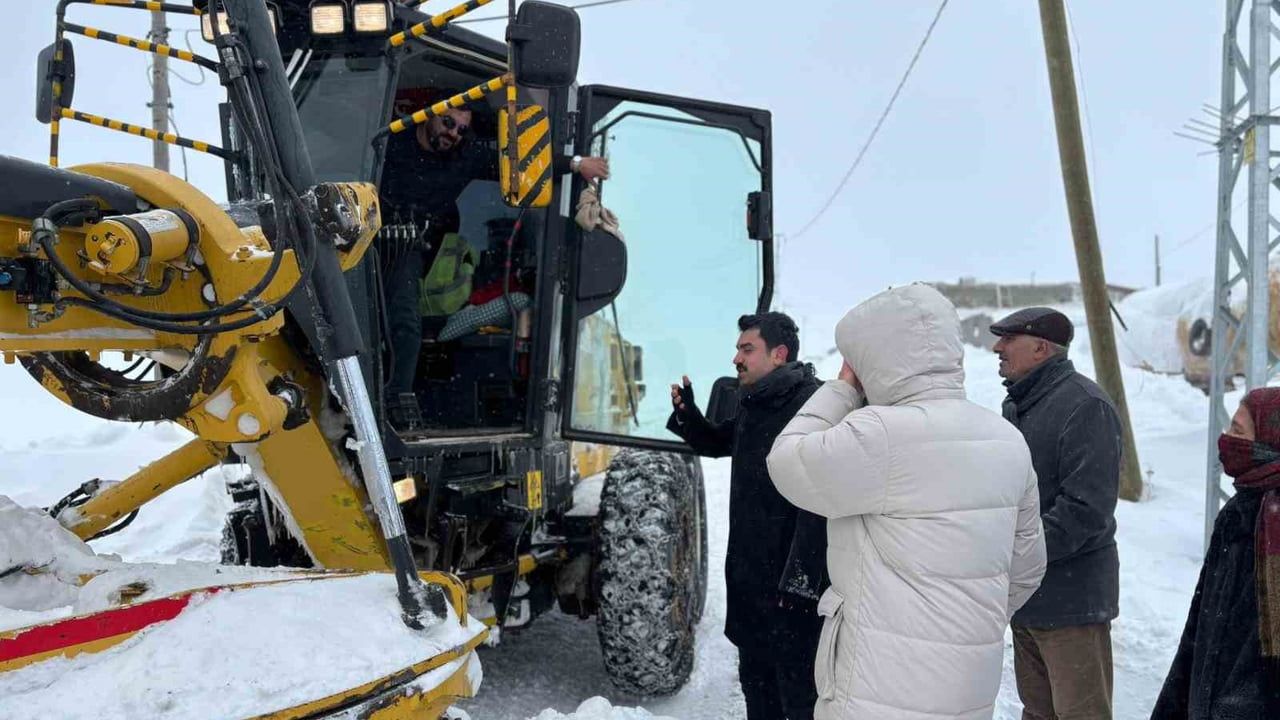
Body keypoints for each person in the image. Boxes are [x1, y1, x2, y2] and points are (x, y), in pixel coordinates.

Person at [766, 283, 1046, 720]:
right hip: (967, 690)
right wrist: (962, 619)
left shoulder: (880, 433)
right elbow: (1028, 569)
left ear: (873, 358)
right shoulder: (1008, 441)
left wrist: (841, 389)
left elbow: (787, 463)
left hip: (876, 690)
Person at [377, 96, 608, 426]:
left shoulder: (465, 156)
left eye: (461, 129)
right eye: (448, 123)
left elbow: (520, 163)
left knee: (404, 321)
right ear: (429, 115)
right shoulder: (390, 144)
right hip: (364, 233)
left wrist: (574, 164)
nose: (454, 133)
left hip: (408, 247)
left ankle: (395, 400)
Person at [667, 312, 828, 720]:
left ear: (779, 354)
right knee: (759, 696)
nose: (736, 359)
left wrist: (801, 583)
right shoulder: (755, 402)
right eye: (738, 349)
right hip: (751, 586)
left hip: (795, 594)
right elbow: (724, 441)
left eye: (746, 349)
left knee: (801, 701)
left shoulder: (815, 406)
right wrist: (691, 418)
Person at [990, 307, 1121, 720]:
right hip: (1029, 599)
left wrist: (1018, 554)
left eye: (1009, 339)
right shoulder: (1018, 406)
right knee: (1039, 713)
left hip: (1072, 604)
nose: (998, 347)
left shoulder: (1085, 405)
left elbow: (1086, 509)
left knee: (1081, 715)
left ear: (1041, 348)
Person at [1151, 388, 1280, 718]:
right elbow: (1203, 626)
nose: (1226, 440)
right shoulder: (1240, 511)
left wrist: (1234, 709)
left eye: (1238, 431)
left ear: (1271, 444)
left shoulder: (1272, 524)